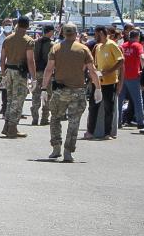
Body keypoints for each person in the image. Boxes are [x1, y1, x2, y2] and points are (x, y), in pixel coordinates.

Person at [41, 23, 101, 162]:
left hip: (60, 90)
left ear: (63, 33)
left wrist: (44, 88)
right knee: (74, 122)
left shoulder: (56, 48)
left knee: (55, 118)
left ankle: (56, 147)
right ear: (76, 33)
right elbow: (92, 71)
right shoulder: (83, 49)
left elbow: (49, 69)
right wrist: (98, 88)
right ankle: (68, 151)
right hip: (78, 91)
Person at [0, 16, 36, 138]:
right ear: (28, 26)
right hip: (20, 73)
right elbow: (30, 61)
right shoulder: (28, 41)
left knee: (9, 99)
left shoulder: (8, 39)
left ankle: (6, 126)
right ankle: (12, 128)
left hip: (9, 70)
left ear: (17, 24)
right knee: (18, 100)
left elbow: (2, 57)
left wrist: (3, 72)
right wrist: (33, 77)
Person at [86, 25, 124, 140]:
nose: (95, 37)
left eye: (96, 34)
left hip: (110, 82)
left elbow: (121, 60)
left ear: (102, 33)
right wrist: (92, 72)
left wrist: (110, 71)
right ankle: (90, 131)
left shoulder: (111, 45)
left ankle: (108, 133)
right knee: (93, 106)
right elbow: (96, 64)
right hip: (97, 82)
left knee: (109, 107)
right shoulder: (98, 47)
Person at [118, 30, 144, 129]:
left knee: (119, 100)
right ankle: (140, 122)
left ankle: (118, 121)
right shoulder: (138, 46)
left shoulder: (123, 46)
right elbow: (142, 58)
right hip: (133, 76)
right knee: (138, 100)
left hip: (122, 76)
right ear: (137, 37)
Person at [31, 24, 54, 126]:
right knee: (47, 94)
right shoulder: (52, 44)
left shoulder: (35, 43)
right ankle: (44, 118)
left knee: (35, 95)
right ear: (50, 32)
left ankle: (35, 118)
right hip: (46, 72)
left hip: (36, 71)